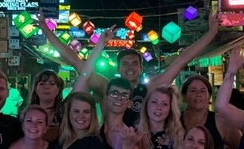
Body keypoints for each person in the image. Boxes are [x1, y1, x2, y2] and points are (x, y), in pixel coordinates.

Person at [39, 9, 221, 128]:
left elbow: (182, 59)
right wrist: (47, 32)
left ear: (141, 68)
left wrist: (212, 32)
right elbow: (75, 61)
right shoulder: (106, 87)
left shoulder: (148, 89)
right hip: (109, 146)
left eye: (135, 63)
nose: (130, 67)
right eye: (125, 64)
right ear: (118, 68)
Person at [28, 70, 65, 142]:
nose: (47, 87)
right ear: (35, 89)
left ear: (58, 90)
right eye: (42, 84)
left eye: (51, 84)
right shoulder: (24, 116)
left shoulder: (65, 115)